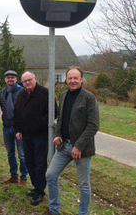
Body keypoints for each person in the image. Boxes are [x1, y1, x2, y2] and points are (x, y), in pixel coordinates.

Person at [44, 66, 99, 215]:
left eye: (76, 78)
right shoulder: (63, 95)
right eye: (70, 78)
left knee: (83, 184)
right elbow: (61, 119)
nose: (73, 81)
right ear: (66, 79)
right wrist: (57, 134)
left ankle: (83, 213)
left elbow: (93, 125)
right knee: (50, 175)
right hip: (64, 146)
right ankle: (54, 209)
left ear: (81, 79)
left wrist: (79, 146)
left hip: (81, 150)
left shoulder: (88, 98)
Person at [14, 71, 58, 206]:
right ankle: (35, 187)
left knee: (40, 164)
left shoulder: (45, 93)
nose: (27, 82)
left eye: (29, 80)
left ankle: (40, 191)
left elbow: (54, 112)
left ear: (35, 79)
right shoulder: (21, 95)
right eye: (24, 81)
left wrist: (40, 123)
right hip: (26, 136)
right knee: (29, 162)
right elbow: (17, 114)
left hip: (40, 136)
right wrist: (18, 130)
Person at [0, 70, 28, 187]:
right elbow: (3, 108)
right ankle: (13, 176)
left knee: (22, 154)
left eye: (12, 77)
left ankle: (24, 177)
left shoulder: (22, 91)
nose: (10, 79)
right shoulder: (2, 92)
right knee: (10, 153)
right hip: (6, 127)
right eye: (8, 78)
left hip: (19, 129)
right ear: (5, 79)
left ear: (16, 79)